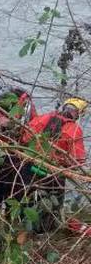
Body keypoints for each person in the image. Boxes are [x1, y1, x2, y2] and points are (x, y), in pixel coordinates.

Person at [19, 97, 87, 231]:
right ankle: (44, 232)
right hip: (53, 175)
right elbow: (77, 160)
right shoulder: (74, 130)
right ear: (78, 114)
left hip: (29, 168)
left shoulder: (42, 118)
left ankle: (24, 227)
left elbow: (25, 138)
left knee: (27, 201)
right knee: (52, 208)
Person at [0, 85, 37, 211]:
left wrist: (10, 124)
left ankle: (9, 214)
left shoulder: (25, 107)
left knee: (13, 186)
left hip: (16, 152)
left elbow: (28, 131)